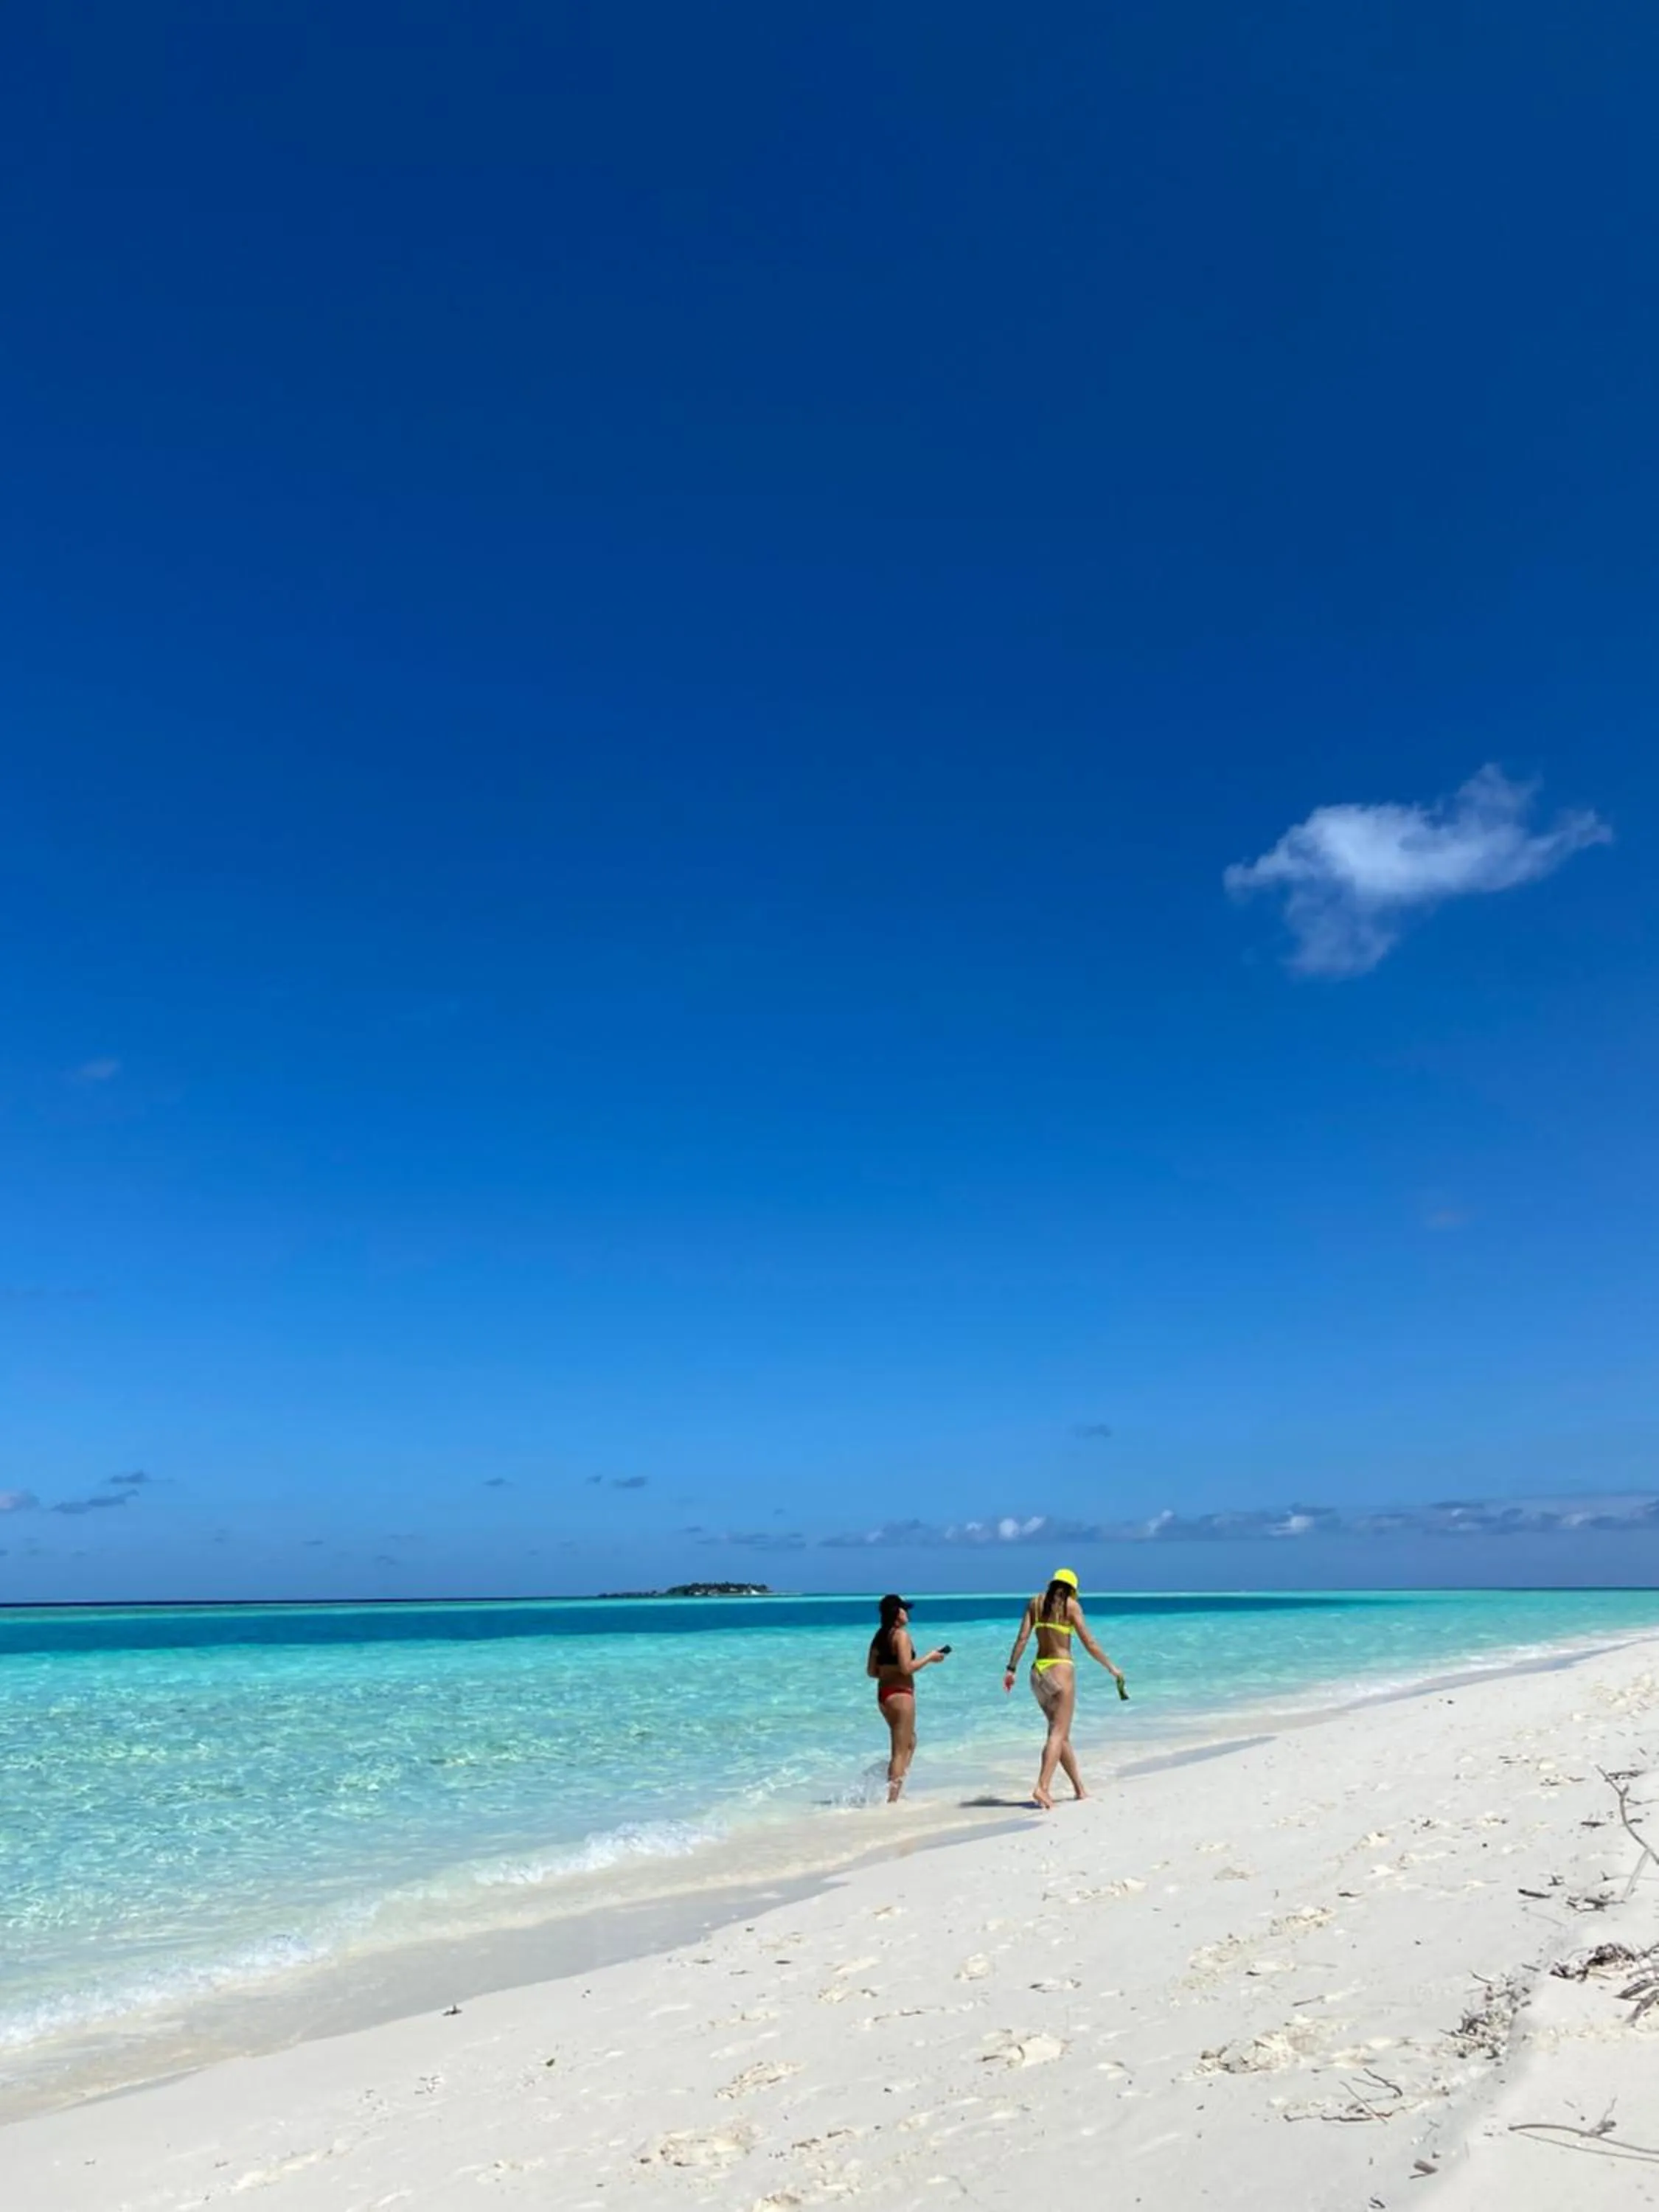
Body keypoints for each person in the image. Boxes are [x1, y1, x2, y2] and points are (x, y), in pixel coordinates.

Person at [1002, 1569, 1125, 1809]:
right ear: (1071, 1589)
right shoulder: (1071, 1607)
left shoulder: (1035, 1603)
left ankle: (1079, 1788)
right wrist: (1111, 1667)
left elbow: (1022, 1639)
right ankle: (1043, 1787)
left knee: (1060, 1734)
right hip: (1061, 1671)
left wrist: (1011, 1669)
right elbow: (1089, 1642)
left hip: (1037, 1674)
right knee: (1057, 1733)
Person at [866, 1594, 950, 1802]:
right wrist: (930, 1657)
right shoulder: (901, 1636)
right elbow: (906, 1668)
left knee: (910, 1742)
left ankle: (895, 1787)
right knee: (900, 1751)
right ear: (896, 1614)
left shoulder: (879, 1636)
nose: (907, 1612)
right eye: (904, 1609)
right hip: (901, 1696)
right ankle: (892, 1800)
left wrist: (889, 1672)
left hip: (884, 1696)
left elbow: (871, 1671)